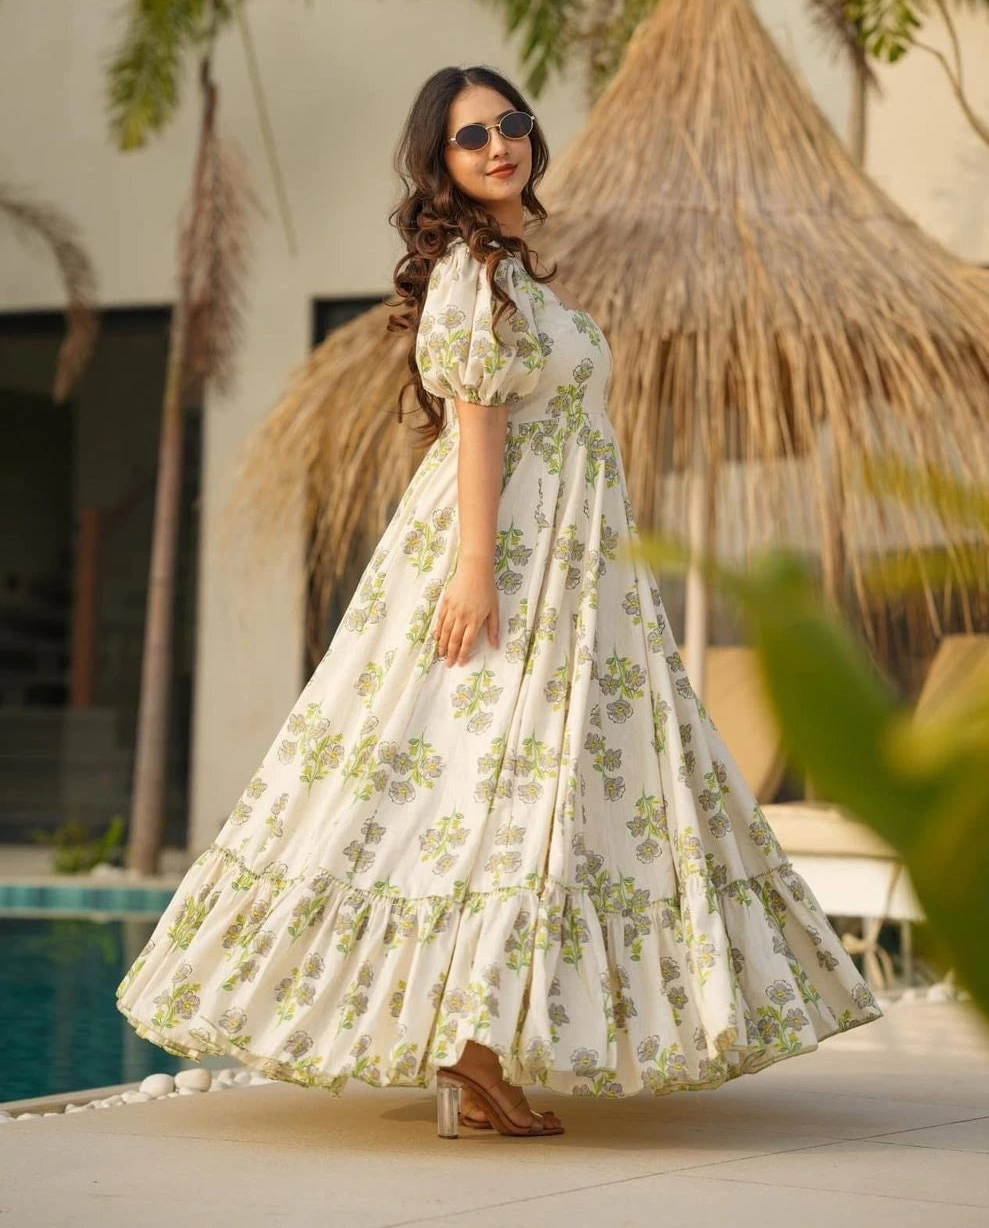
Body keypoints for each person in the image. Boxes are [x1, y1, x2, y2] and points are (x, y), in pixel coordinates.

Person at [115, 64, 881, 1140]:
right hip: (510, 556)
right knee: (485, 782)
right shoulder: (472, 274)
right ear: (443, 163)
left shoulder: (524, 278)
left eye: (511, 124)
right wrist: (476, 571)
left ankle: (476, 1048)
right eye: (472, 137)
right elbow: (476, 426)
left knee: (536, 791)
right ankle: (469, 1052)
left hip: (575, 570)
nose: (499, 146)